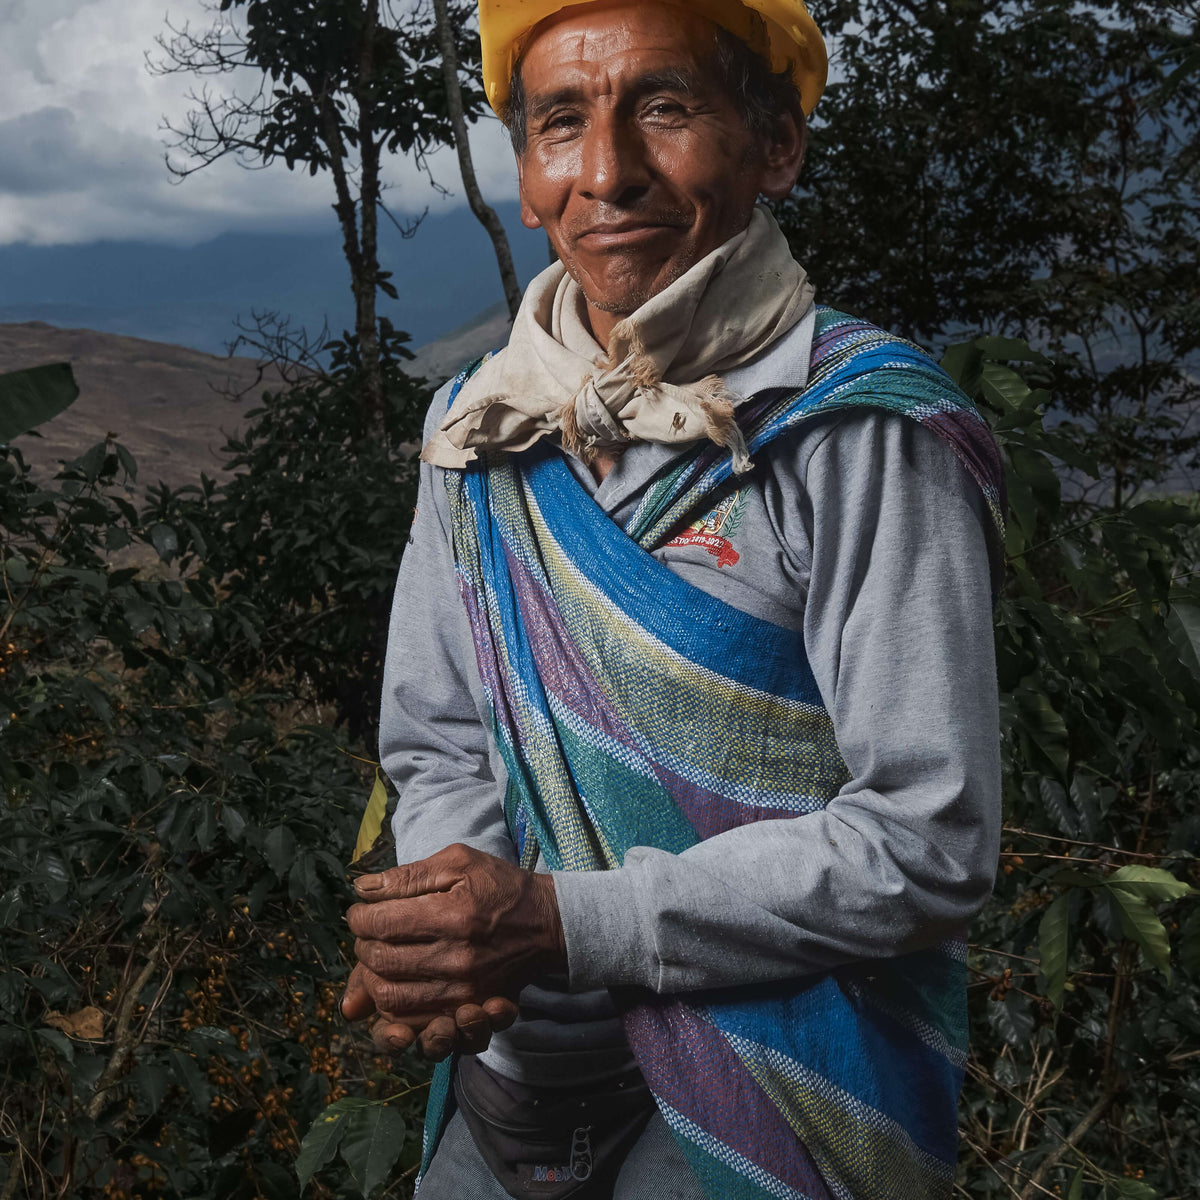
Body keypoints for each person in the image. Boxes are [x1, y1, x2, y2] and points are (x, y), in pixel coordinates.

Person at [341, 0, 1005, 1196]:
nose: (608, 172)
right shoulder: (481, 424)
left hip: (784, 1087)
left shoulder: (852, 431)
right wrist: (454, 932)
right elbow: (438, 743)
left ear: (778, 146)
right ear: (527, 173)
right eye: (560, 123)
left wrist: (559, 924)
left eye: (665, 107)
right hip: (514, 1081)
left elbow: (929, 833)